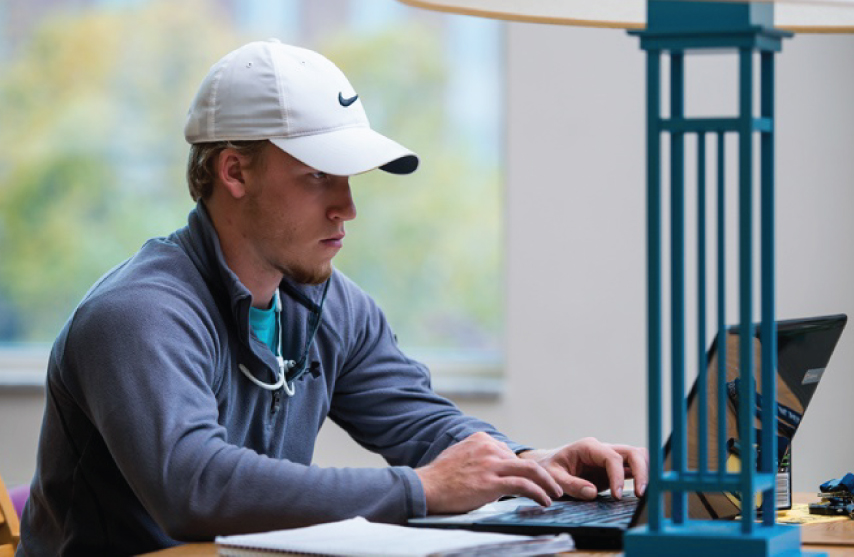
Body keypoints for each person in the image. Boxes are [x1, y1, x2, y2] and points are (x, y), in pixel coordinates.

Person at [16, 39, 648, 556]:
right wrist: (420, 490)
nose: (347, 207)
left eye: (348, 177)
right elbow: (195, 487)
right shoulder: (138, 315)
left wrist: (530, 465)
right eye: (318, 176)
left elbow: (421, 423)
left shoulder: (329, 303)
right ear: (234, 171)